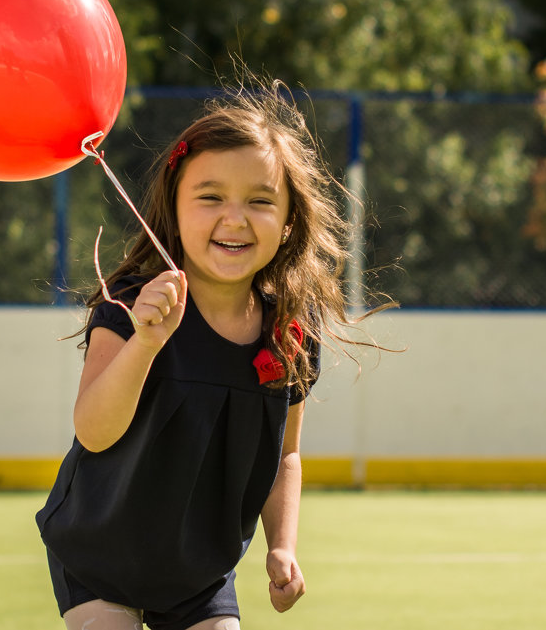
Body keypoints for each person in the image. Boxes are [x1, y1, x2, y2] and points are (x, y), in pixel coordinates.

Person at [37, 87, 387, 630]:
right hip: (99, 551)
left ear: (290, 220)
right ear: (173, 210)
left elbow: (285, 456)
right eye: (210, 197)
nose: (235, 218)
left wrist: (282, 545)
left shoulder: (290, 331)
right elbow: (93, 431)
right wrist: (147, 342)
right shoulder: (133, 303)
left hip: (198, 572)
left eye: (260, 200)